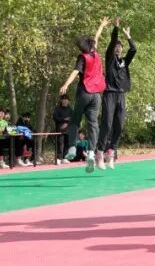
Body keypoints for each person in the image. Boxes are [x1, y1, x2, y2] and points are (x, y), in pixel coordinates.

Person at [59, 18, 109, 172]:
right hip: (97, 95)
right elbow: (97, 37)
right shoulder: (96, 53)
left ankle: (72, 148)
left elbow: (75, 72)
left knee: (75, 120)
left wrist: (66, 84)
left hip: (84, 92)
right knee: (93, 124)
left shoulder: (83, 57)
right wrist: (101, 25)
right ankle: (92, 153)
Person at [99, 19, 137, 167]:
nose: (118, 48)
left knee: (119, 125)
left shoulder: (124, 62)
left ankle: (111, 151)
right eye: (116, 46)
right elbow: (112, 41)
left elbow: (133, 49)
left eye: (120, 47)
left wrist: (128, 36)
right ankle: (100, 152)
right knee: (107, 124)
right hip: (109, 94)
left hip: (121, 95)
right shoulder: (109, 59)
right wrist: (116, 27)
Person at [53, 94, 74, 166]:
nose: (65, 101)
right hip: (60, 129)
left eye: (66, 99)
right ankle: (58, 158)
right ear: (61, 100)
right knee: (60, 144)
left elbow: (73, 118)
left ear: (68, 101)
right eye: (64, 99)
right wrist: (64, 119)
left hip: (68, 129)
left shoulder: (70, 109)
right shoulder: (57, 108)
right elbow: (55, 118)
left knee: (67, 144)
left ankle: (65, 158)